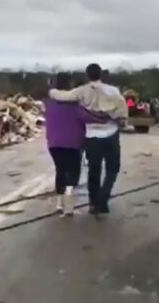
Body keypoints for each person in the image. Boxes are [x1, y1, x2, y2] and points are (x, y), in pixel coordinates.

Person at [49, 64, 127, 216]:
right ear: (101, 75)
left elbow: (62, 96)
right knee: (113, 168)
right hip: (111, 133)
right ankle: (103, 198)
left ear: (87, 75)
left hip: (92, 136)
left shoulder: (81, 91)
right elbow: (122, 108)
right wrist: (121, 121)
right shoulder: (113, 91)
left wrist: (52, 91)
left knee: (94, 170)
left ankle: (93, 203)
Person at [45, 72, 105, 216]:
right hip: (72, 144)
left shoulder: (49, 103)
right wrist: (105, 119)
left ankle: (59, 204)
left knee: (60, 170)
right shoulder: (75, 105)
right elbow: (88, 117)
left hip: (54, 143)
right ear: (69, 84)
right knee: (73, 173)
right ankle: (69, 206)